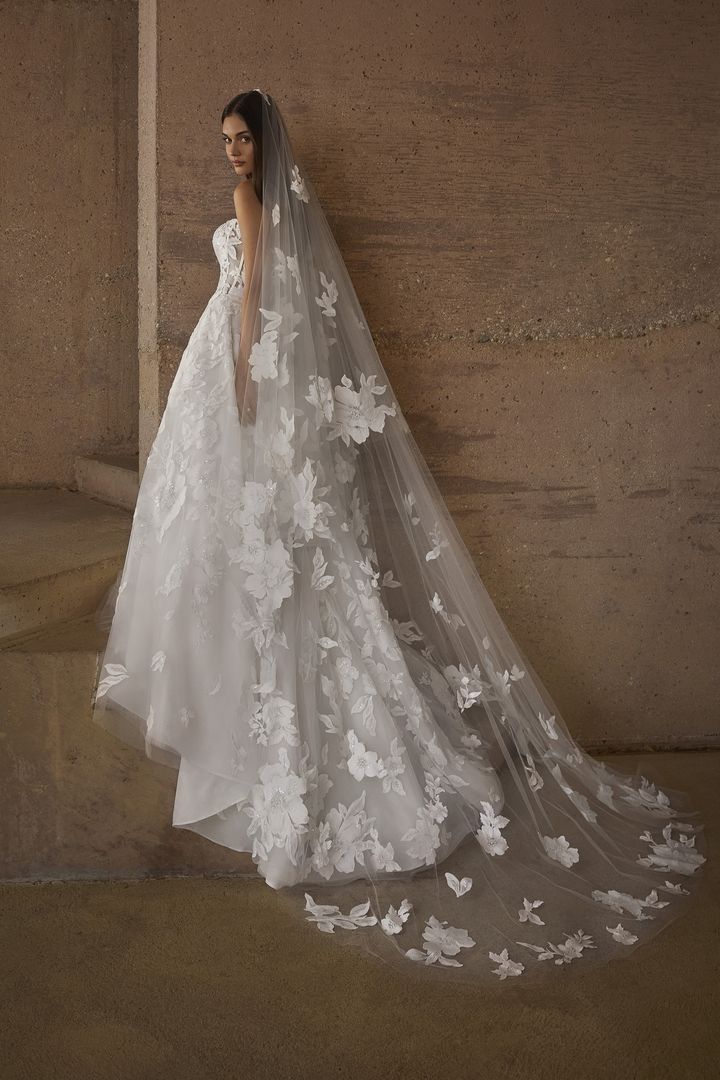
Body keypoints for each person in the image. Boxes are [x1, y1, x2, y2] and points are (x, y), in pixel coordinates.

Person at [91, 89, 707, 985]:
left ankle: (260, 743)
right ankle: (308, 739)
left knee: (251, 571)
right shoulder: (292, 207)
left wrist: (240, 387)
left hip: (240, 383)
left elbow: (257, 294)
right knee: (285, 577)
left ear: (265, 145)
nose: (231, 154)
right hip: (254, 385)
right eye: (223, 142)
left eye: (240, 140)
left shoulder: (253, 206)